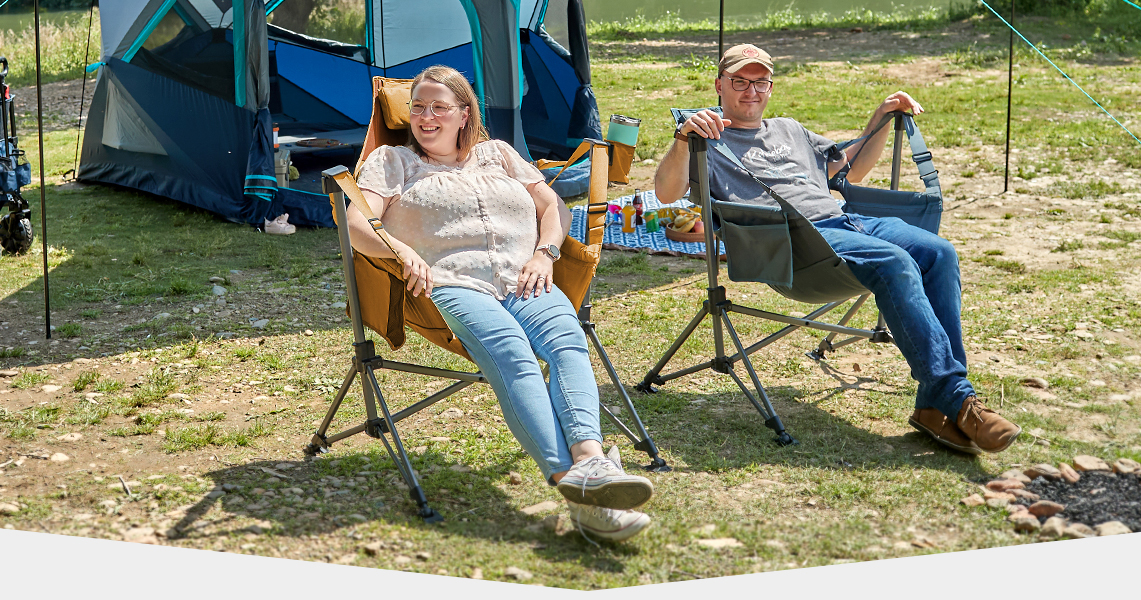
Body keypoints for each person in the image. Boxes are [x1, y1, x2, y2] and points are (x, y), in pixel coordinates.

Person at [653, 44, 1021, 455]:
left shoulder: (789, 129)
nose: (751, 91)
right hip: (798, 245)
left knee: (939, 253)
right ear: (719, 85)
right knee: (894, 262)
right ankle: (960, 401)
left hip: (846, 222)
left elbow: (850, 169)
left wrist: (880, 118)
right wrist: (683, 139)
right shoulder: (705, 140)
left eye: (760, 82)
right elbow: (666, 192)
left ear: (771, 87)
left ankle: (933, 408)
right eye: (739, 81)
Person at [346, 65, 656, 541]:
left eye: (439, 107)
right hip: (452, 283)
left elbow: (553, 207)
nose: (426, 117)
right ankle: (575, 486)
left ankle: (590, 462)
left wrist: (545, 252)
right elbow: (357, 224)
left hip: (525, 275)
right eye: (418, 107)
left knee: (567, 341)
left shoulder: (500, 154)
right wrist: (401, 250)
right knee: (513, 354)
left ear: (464, 114)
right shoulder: (392, 161)